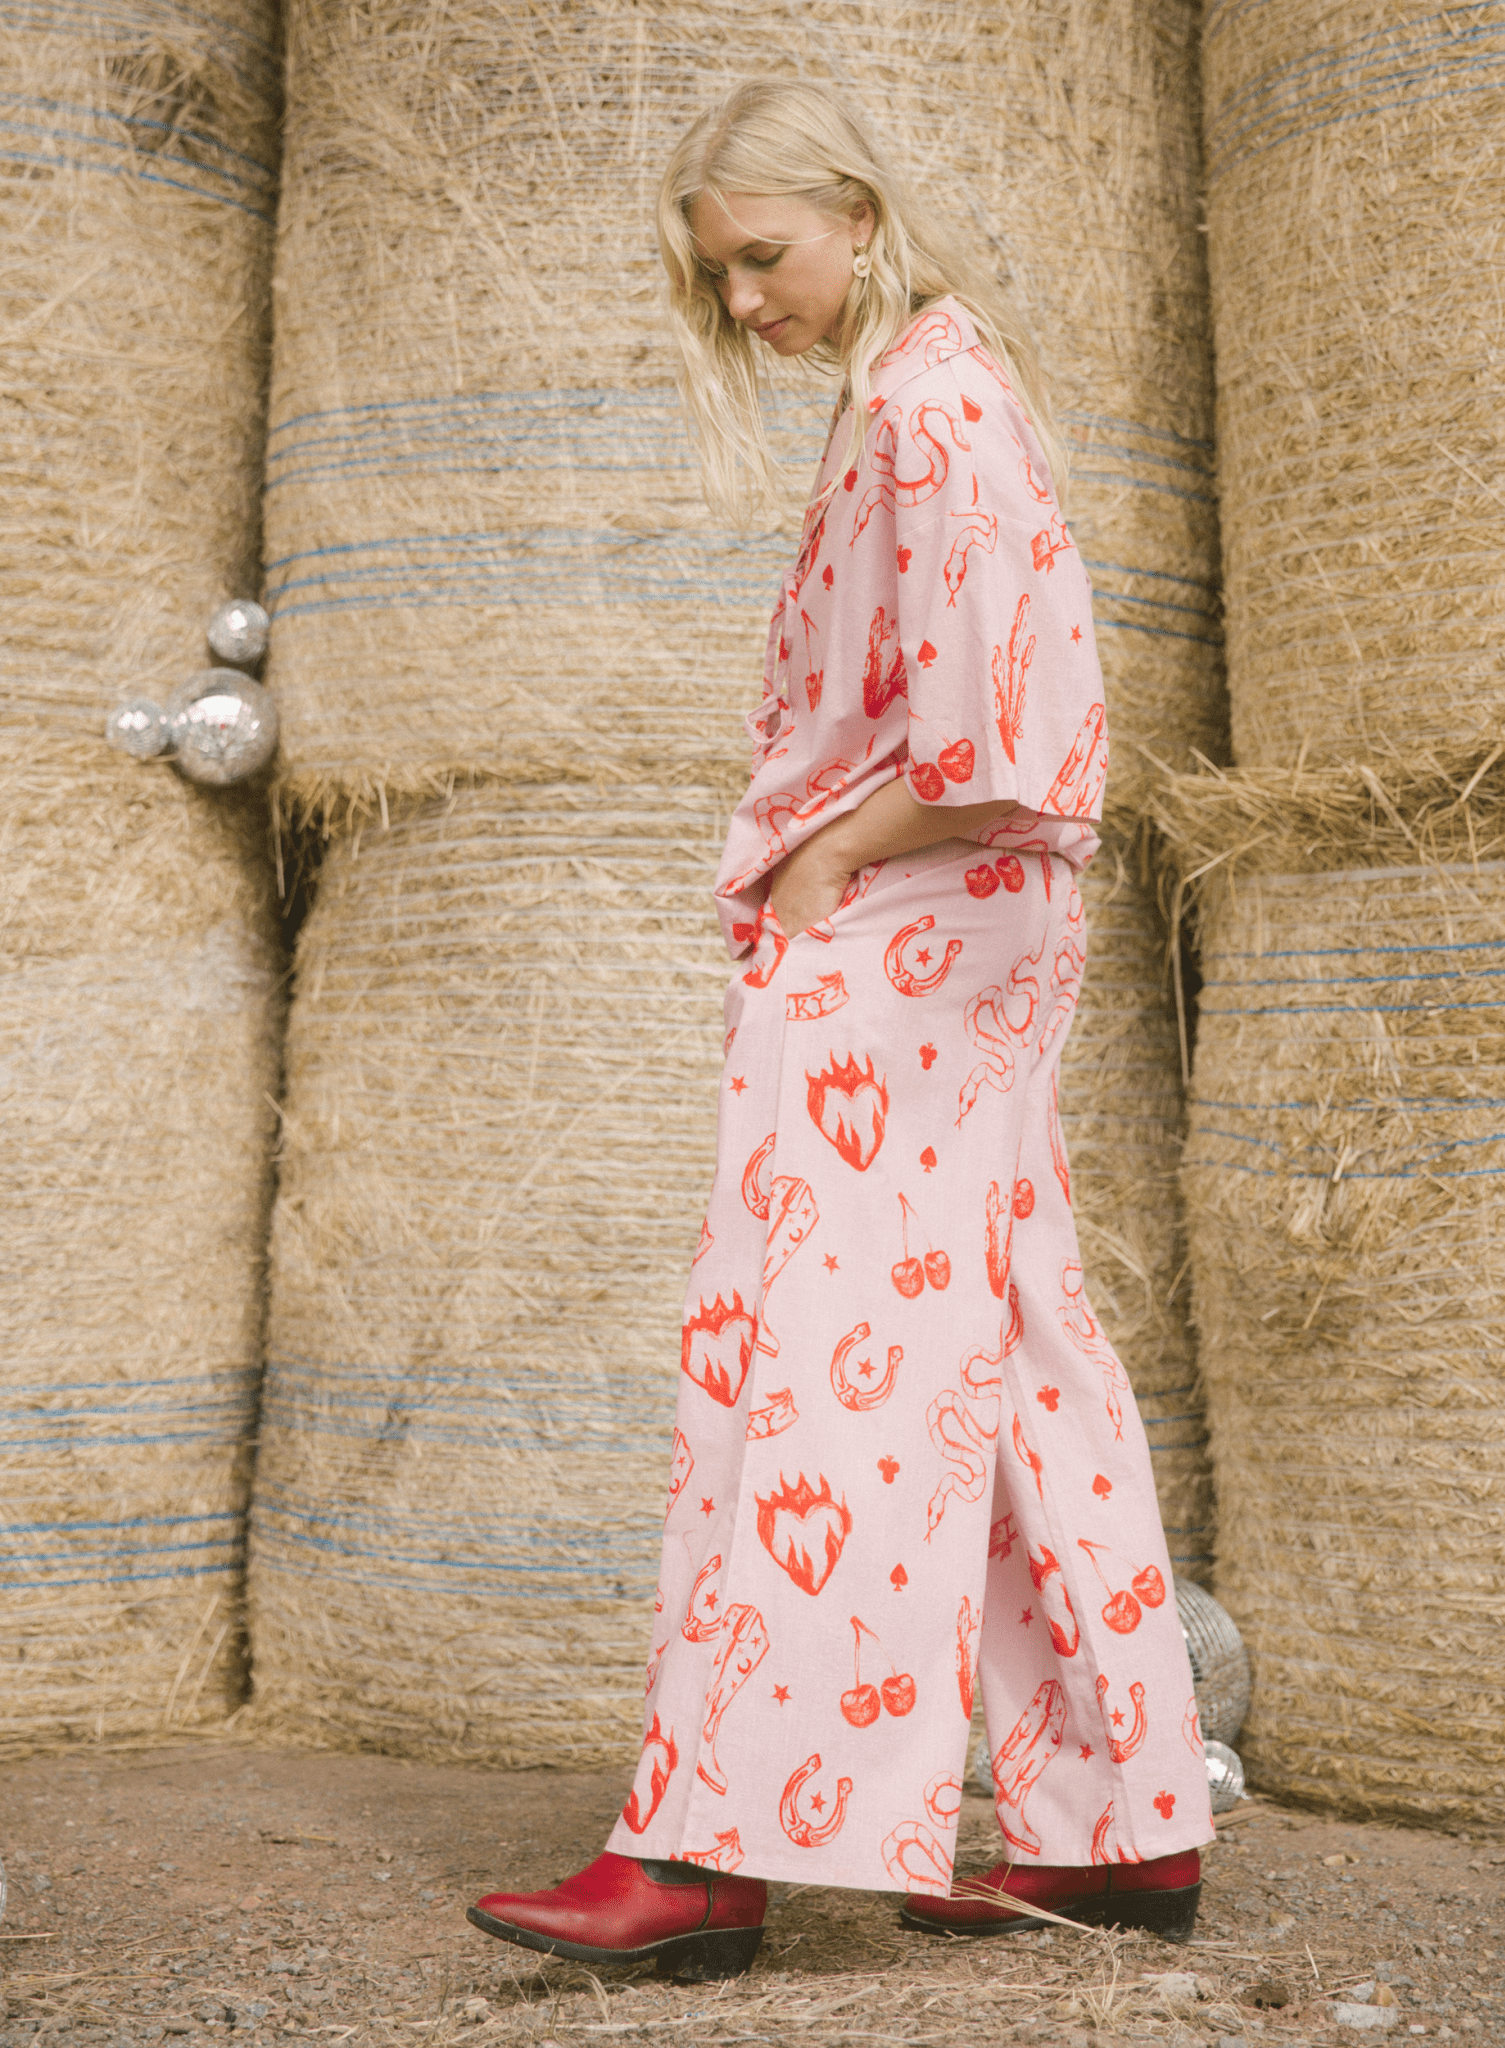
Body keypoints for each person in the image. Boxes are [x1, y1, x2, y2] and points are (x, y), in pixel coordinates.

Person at [467, 77, 1213, 1982]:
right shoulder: (938, 391)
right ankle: (1120, 1826)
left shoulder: (924, 409)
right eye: (716, 275)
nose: (743, 302)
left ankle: (708, 1848)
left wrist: (826, 859)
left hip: (911, 926)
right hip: (968, 927)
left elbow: (1001, 747)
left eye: (764, 256)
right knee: (1008, 1353)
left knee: (805, 1368)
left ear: (861, 216)